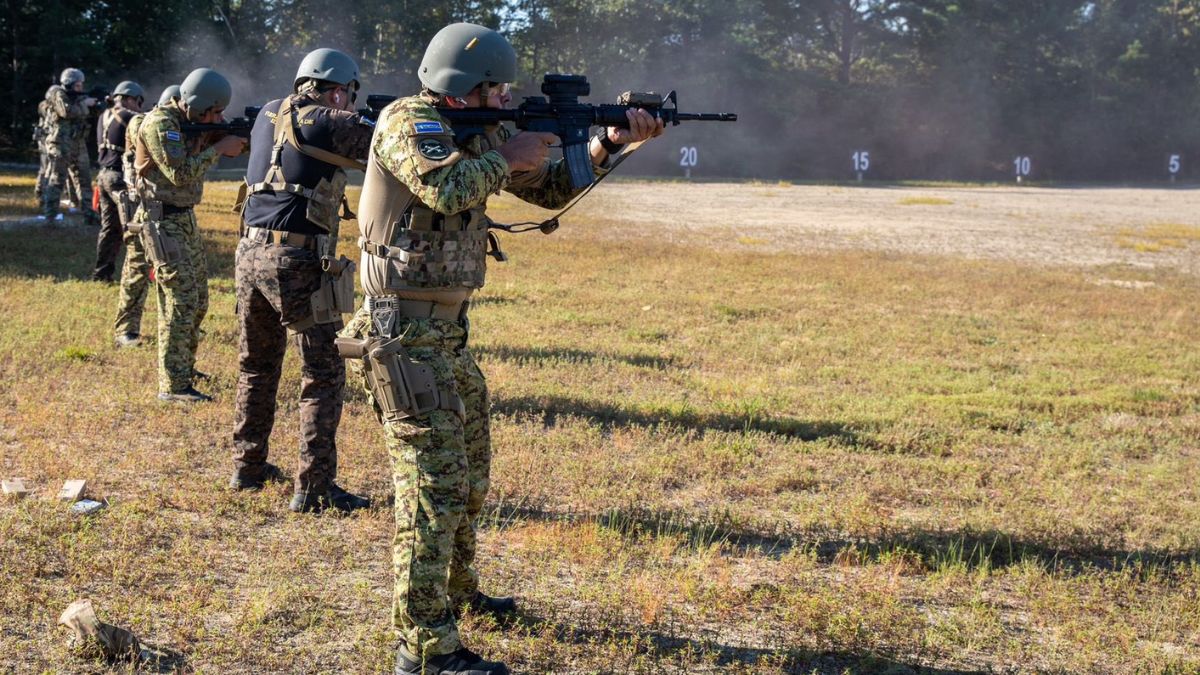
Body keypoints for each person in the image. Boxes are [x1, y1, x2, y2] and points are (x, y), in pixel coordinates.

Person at [340, 23, 664, 675]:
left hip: (446, 333)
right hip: (399, 330)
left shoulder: (484, 132)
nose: (507, 96)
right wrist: (509, 149)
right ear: (467, 87)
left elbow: (549, 190)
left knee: (470, 475)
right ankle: (424, 645)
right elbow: (446, 188)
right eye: (498, 86)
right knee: (433, 484)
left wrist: (611, 144)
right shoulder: (410, 121)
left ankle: (456, 593)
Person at [229, 48, 373, 513]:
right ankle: (314, 487)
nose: (351, 104)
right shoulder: (331, 120)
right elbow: (392, 146)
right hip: (296, 258)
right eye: (349, 95)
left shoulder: (268, 113)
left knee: (256, 366)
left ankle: (247, 468)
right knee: (323, 373)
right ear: (336, 89)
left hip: (249, 252)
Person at [132, 68, 246, 402]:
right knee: (179, 301)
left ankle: (183, 367)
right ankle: (173, 386)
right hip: (161, 221)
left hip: (184, 219)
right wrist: (219, 148)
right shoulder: (160, 124)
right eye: (213, 111)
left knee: (198, 301)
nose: (217, 117)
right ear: (196, 104)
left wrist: (233, 138)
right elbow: (179, 173)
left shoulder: (191, 122)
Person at [114, 86, 181, 348]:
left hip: (160, 211)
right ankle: (125, 329)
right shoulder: (142, 123)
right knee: (136, 272)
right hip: (141, 210)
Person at [90, 81, 144, 282]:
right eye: (139, 102)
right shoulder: (130, 116)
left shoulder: (103, 115)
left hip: (103, 176)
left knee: (109, 229)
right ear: (130, 98)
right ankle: (136, 276)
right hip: (119, 178)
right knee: (133, 227)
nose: (140, 106)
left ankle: (101, 274)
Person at [41, 68, 99, 224]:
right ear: (69, 84)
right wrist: (85, 104)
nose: (80, 88)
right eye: (78, 85)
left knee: (84, 180)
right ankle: (50, 215)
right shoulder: (57, 93)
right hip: (61, 144)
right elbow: (66, 112)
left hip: (78, 143)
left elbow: (87, 116)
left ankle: (89, 214)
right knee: (57, 179)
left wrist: (95, 105)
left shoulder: (76, 98)